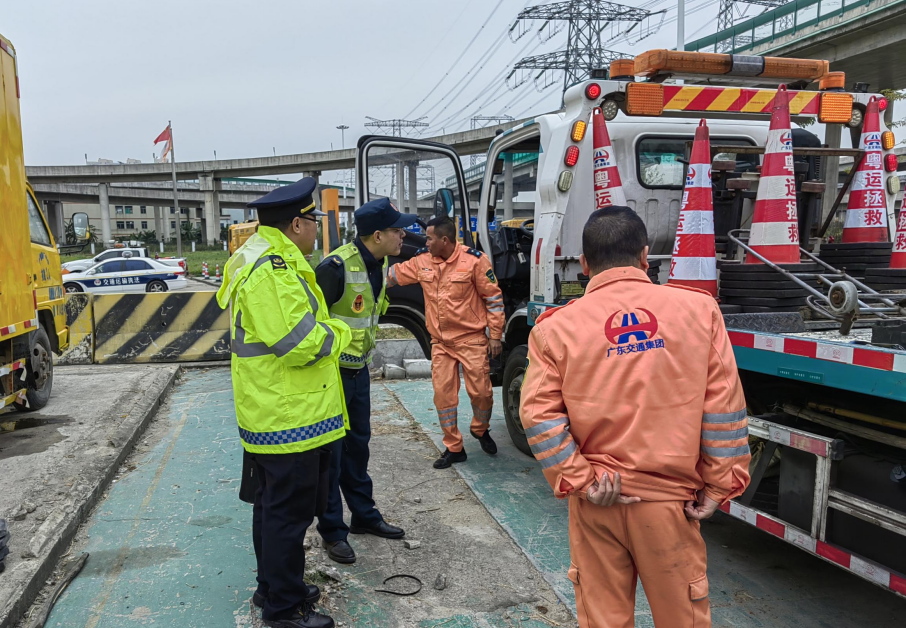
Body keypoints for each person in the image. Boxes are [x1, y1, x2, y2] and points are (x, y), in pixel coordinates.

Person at [520, 207, 750, 628]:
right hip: (670, 506)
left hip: (598, 502)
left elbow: (537, 417)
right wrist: (721, 483)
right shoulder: (700, 311)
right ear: (645, 256)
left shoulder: (555, 328)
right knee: (682, 618)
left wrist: (584, 481)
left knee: (603, 618)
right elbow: (724, 407)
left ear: (584, 264)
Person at [216, 177, 350, 628]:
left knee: (273, 509)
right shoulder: (271, 270)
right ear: (296, 224)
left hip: (278, 410)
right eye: (314, 222)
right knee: (287, 516)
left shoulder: (265, 259)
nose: (317, 229)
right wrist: (342, 333)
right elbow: (299, 343)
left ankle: (274, 587)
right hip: (288, 415)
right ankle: (285, 609)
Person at [313, 198, 412, 564]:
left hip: (359, 372)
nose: (403, 236)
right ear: (377, 235)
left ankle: (364, 516)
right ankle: (332, 531)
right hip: (331, 376)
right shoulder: (335, 267)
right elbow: (312, 322)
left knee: (358, 447)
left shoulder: (379, 263)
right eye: (398, 230)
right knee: (332, 455)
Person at [386, 216, 505, 469]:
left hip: (471, 340)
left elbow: (493, 299)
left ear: (444, 240)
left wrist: (495, 336)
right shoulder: (422, 261)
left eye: (429, 238)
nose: (426, 243)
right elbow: (392, 276)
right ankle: (454, 447)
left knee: (482, 393)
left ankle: (480, 429)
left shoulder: (475, 261)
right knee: (443, 397)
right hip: (441, 343)